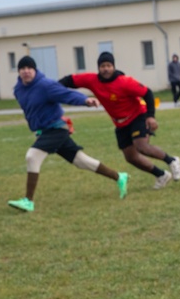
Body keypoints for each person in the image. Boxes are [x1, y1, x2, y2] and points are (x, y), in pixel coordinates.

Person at [9, 56, 128, 213]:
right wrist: (37, 128)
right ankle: (119, 177)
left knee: (32, 157)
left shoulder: (45, 85)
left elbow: (66, 94)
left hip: (57, 129)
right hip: (46, 130)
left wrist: (85, 100)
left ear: (35, 70)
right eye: (22, 69)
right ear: (19, 72)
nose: (26, 71)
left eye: (29, 68)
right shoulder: (18, 90)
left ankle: (28, 201)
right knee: (80, 161)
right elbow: (32, 111)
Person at [59, 52, 180, 189]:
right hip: (120, 123)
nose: (106, 68)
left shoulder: (124, 81)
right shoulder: (92, 80)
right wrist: (52, 89)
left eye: (109, 65)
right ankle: (161, 175)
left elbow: (147, 93)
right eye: (102, 66)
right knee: (131, 157)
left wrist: (150, 116)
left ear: (113, 66)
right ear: (98, 68)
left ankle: (172, 160)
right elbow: (70, 80)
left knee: (141, 146)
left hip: (137, 116)